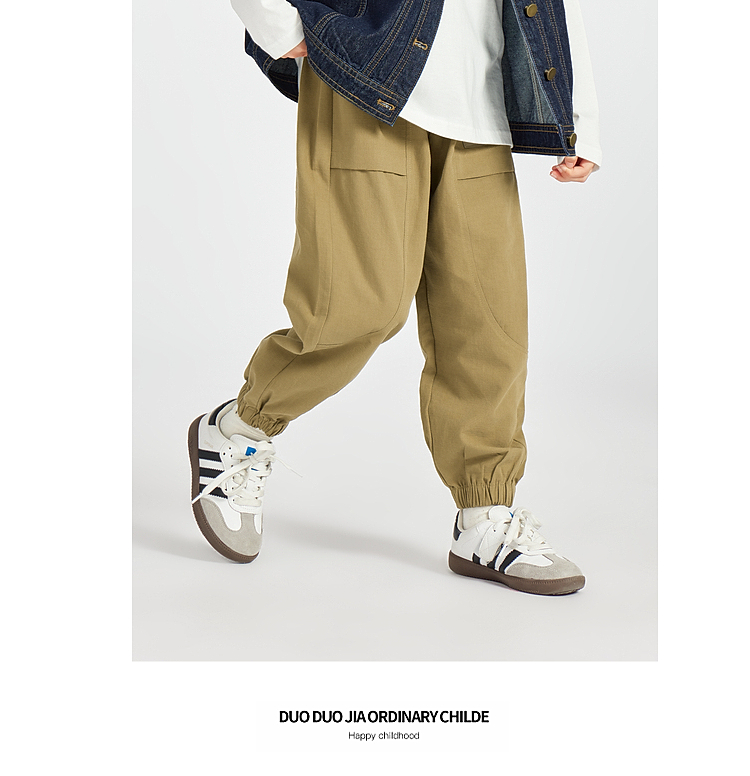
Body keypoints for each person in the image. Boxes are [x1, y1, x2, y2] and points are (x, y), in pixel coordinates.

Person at [188, 0, 602, 595]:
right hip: (366, 74)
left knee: (490, 326)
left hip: (482, 101)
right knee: (358, 305)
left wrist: (575, 113)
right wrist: (275, 20)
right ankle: (240, 429)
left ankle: (484, 516)